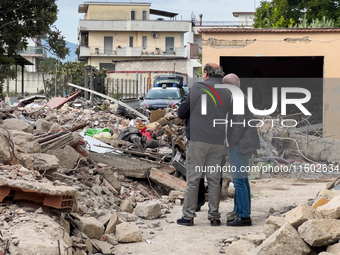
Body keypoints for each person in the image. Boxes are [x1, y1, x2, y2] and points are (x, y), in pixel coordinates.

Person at [176, 63, 232, 226]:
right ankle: (214, 217)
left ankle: (188, 216)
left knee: (194, 178)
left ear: (206, 73)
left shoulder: (198, 88)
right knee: (214, 180)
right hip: (218, 140)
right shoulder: (227, 91)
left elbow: (181, 113)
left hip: (198, 140)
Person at [222, 73, 260, 227]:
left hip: (239, 145)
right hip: (244, 143)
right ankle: (240, 211)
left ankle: (244, 216)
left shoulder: (237, 99)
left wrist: (232, 142)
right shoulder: (241, 97)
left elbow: (239, 124)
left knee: (238, 180)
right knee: (242, 179)